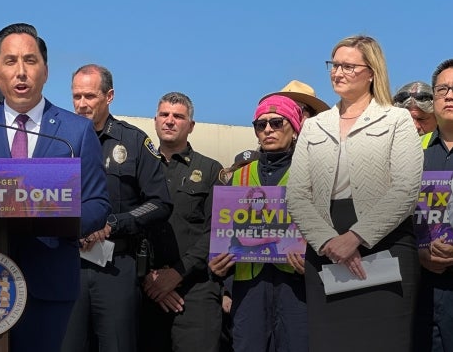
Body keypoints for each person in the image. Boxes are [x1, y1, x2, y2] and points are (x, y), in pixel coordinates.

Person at [0, 22, 110, 352]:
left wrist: (59, 220)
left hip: (49, 284)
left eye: (30, 60)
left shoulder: (75, 132)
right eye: (10, 62)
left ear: (46, 71)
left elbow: (97, 203)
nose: (21, 72)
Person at [287, 35, 423, 352]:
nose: (338, 72)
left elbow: (405, 188)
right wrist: (327, 241)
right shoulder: (314, 126)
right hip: (324, 248)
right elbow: (297, 193)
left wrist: (356, 237)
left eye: (348, 66)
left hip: (385, 243)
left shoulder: (397, 119)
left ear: (371, 71)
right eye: (334, 65)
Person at [62, 65, 172, 352]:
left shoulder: (133, 141)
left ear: (109, 96)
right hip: (66, 265)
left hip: (114, 266)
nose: (81, 104)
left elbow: (161, 202)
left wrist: (113, 223)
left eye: (90, 96)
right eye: (76, 96)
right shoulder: (58, 141)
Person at [208, 95, 308, 352]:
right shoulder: (238, 176)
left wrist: (314, 260)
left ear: (295, 129)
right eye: (260, 125)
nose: (268, 130)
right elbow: (221, 233)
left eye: (277, 123)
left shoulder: (312, 172)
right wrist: (220, 271)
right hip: (248, 289)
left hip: (296, 288)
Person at [139, 91, 223, 352]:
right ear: (155, 120)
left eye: (178, 116)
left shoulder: (211, 170)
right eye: (164, 115)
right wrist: (149, 279)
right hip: (145, 290)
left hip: (195, 291)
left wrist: (176, 274)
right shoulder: (138, 168)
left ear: (191, 125)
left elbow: (217, 231)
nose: (170, 121)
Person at [413, 60, 453, 352]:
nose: (449, 96)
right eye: (443, 89)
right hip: (420, 289)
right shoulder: (412, 152)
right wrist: (417, 249)